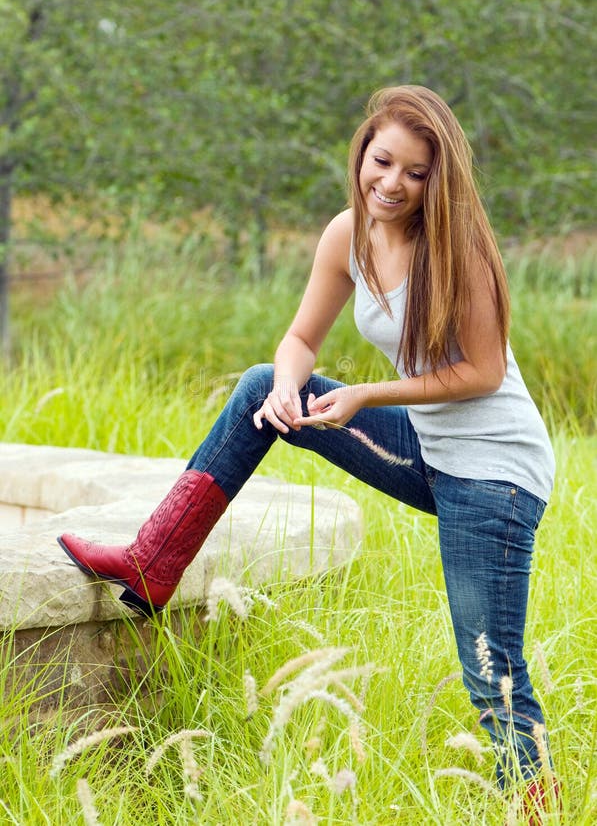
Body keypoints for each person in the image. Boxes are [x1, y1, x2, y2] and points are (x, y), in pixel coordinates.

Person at [58, 85, 558, 815]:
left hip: (494, 475)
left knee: (490, 670)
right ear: (361, 153)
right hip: (427, 450)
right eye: (380, 161)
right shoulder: (346, 234)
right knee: (260, 384)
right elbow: (298, 340)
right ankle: (151, 559)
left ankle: (536, 807)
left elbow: (478, 373)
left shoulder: (459, 249)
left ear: (436, 180)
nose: (390, 183)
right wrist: (290, 389)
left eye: (413, 173)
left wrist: (362, 397)